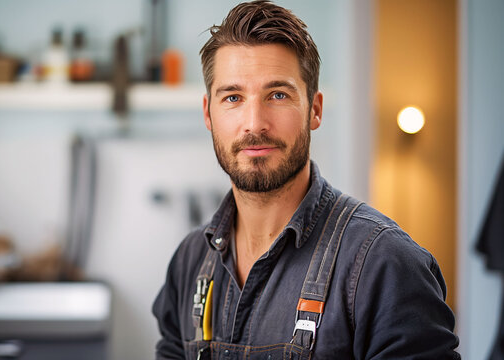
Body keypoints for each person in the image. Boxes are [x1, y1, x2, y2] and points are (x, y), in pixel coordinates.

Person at [152, 1, 460, 359]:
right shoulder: (189, 262)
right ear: (208, 113)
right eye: (233, 97)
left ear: (315, 109)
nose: (254, 122)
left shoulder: (386, 264)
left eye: (278, 95)